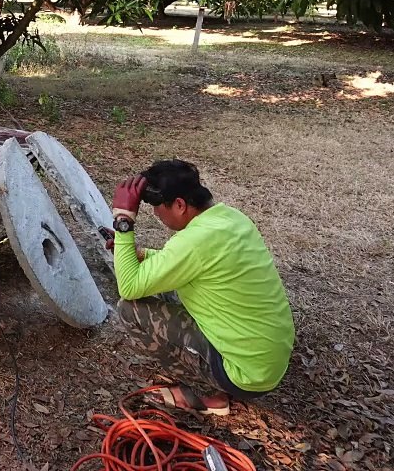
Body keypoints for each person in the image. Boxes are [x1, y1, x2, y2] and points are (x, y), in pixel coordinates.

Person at [107, 159, 294, 415]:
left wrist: (124, 221)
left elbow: (128, 287)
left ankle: (207, 396)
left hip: (244, 374)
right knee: (162, 285)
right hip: (267, 358)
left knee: (130, 310)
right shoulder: (231, 218)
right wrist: (140, 255)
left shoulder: (194, 242)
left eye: (157, 207)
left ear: (180, 205)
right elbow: (188, 262)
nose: (156, 214)